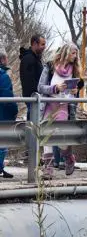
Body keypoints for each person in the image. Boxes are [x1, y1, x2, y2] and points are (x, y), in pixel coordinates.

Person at [38, 44, 84, 178]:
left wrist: (75, 91)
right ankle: (48, 168)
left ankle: (69, 158)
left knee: (60, 136)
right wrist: (55, 88)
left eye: (76, 54)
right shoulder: (50, 66)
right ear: (65, 52)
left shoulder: (74, 69)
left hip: (64, 105)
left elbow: (79, 85)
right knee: (46, 136)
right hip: (49, 104)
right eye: (73, 53)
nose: (75, 57)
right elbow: (40, 87)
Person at [19, 34, 46, 121]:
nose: (44, 47)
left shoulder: (35, 58)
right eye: (42, 44)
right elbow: (29, 82)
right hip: (33, 98)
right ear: (34, 44)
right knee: (33, 125)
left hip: (36, 98)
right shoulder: (29, 59)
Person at [0, 50, 17, 178]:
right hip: (3, 114)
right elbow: (8, 98)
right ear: (2, 60)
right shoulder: (3, 76)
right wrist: (14, 111)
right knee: (2, 142)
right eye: (6, 58)